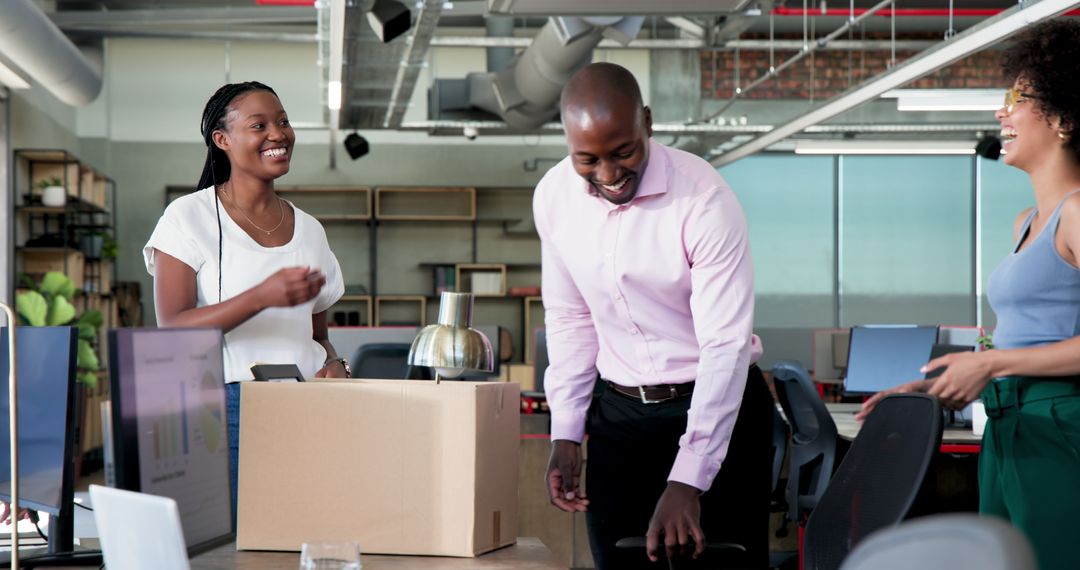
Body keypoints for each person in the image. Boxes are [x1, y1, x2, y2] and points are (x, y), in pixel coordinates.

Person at [857, 20, 1080, 570]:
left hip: (1061, 425)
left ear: (1065, 119)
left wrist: (996, 363)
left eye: (1018, 98)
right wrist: (932, 385)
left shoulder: (1077, 211)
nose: (1003, 113)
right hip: (1010, 425)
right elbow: (1029, 335)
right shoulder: (1027, 223)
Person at [535, 62, 773, 569]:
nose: (608, 175)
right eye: (587, 160)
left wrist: (689, 477)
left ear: (647, 121)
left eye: (623, 152)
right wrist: (567, 431)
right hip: (620, 416)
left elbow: (723, 347)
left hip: (713, 407)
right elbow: (570, 317)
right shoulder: (554, 198)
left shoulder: (704, 200)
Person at [143, 81, 347, 524]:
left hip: (310, 405)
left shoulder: (310, 229)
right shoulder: (187, 217)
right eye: (259, 125)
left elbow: (318, 335)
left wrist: (335, 363)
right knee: (241, 539)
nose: (278, 134)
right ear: (223, 140)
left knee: (303, 532)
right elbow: (173, 329)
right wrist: (261, 297)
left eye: (283, 122)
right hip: (227, 408)